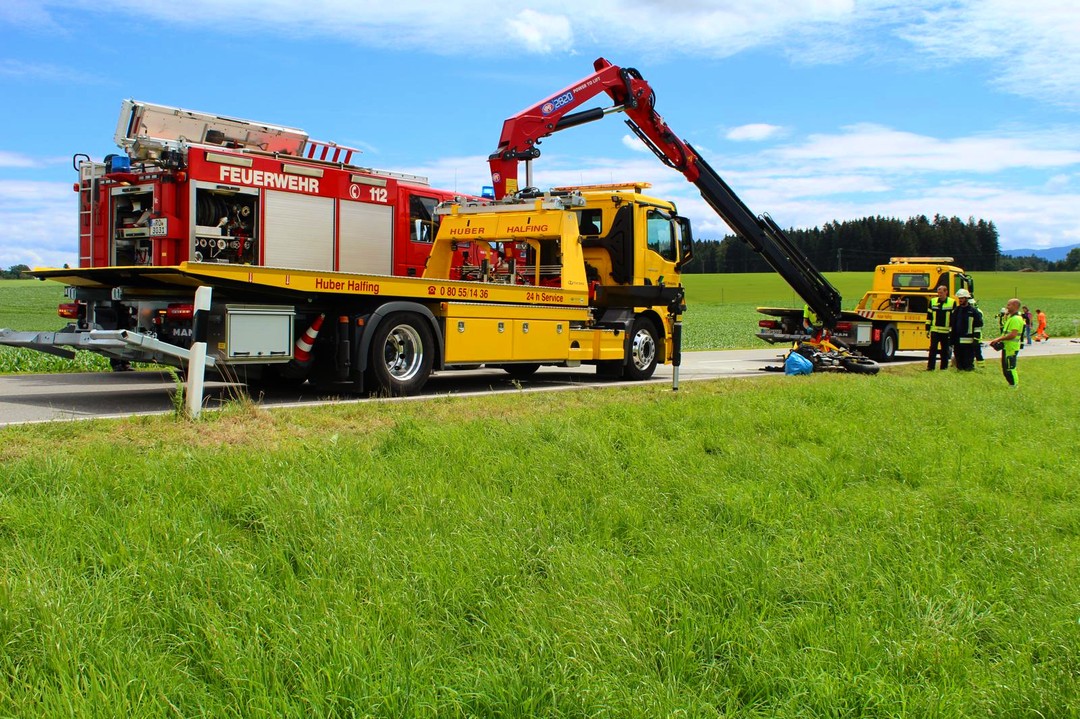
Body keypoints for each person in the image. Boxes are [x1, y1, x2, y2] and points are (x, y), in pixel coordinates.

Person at [985, 298, 1024, 387]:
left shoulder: (1016, 319)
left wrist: (999, 339)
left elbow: (1013, 335)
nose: (1007, 307)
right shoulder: (1011, 318)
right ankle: (1012, 384)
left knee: (1010, 368)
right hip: (1007, 347)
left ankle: (1014, 385)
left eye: (1009, 305)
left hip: (1011, 348)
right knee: (1006, 368)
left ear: (1015, 306)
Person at [950, 289, 982, 371]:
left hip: (969, 341)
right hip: (957, 341)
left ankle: (969, 370)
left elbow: (978, 326)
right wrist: (951, 338)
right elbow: (952, 325)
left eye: (962, 298)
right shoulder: (956, 310)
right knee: (959, 361)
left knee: (968, 362)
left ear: (966, 299)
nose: (960, 300)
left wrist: (976, 338)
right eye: (959, 298)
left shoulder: (973, 311)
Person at [925, 285, 955, 371]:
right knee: (932, 349)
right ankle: (930, 367)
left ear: (946, 292)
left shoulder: (952, 302)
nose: (939, 294)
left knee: (945, 350)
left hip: (945, 331)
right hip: (934, 330)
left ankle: (944, 367)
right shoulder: (933, 301)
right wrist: (927, 329)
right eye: (938, 293)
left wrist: (952, 330)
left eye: (941, 293)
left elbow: (953, 318)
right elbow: (929, 316)